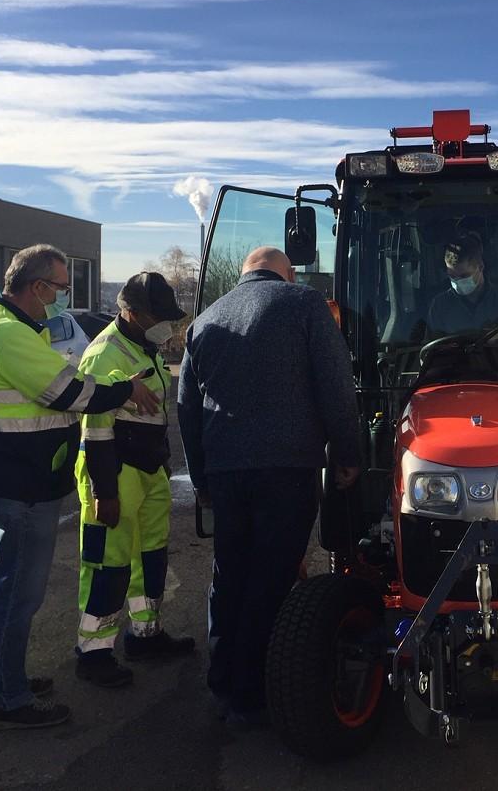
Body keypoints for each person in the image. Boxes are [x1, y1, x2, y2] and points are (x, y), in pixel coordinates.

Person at [0, 244, 160, 730]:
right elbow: (70, 392)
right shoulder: (7, 333)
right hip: (18, 485)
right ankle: (7, 699)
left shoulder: (5, 325)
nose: (61, 300)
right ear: (37, 288)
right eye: (59, 289)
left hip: (17, 479)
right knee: (15, 596)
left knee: (2, 590)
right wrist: (126, 390)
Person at [178, 246, 361, 728]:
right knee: (271, 578)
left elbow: (188, 413)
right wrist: (349, 454)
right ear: (288, 272)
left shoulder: (205, 320)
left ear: (244, 275)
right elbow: (336, 386)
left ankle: (223, 679)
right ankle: (253, 690)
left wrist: (202, 480)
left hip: (225, 473)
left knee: (230, 573)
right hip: (285, 469)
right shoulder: (304, 306)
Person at [73, 272, 196, 688]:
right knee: (107, 562)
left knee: (150, 557)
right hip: (115, 470)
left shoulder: (146, 349)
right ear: (131, 313)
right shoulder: (105, 354)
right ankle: (93, 653)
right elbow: (94, 430)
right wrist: (105, 492)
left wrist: (161, 463)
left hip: (147, 468)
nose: (166, 325)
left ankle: (145, 635)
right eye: (157, 316)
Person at [427, 231, 498, 335]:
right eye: (452, 276)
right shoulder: (439, 307)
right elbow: (432, 348)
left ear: (481, 266)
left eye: (464, 276)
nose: (457, 282)